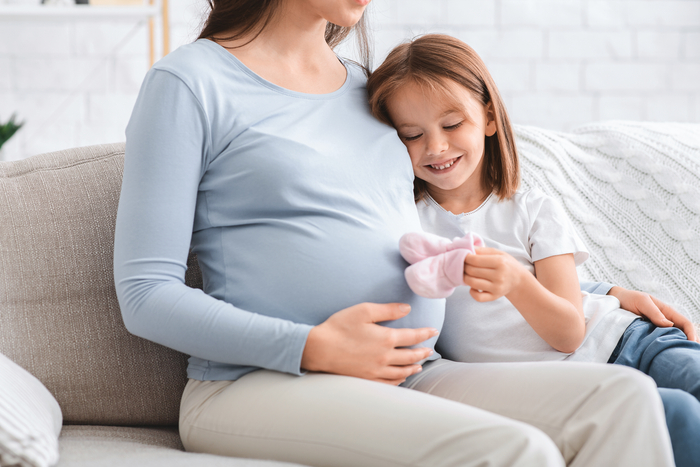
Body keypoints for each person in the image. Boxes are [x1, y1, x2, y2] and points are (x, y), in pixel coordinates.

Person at [113, 2, 676, 466]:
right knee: (514, 451)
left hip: (413, 371)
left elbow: (440, 229)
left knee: (623, 400)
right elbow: (145, 295)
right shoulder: (189, 83)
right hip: (255, 384)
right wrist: (312, 346)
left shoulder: (366, 88)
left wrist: (596, 291)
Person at [366, 33, 700, 467]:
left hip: (627, 340)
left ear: (488, 117)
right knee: (679, 418)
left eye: (452, 125)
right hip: (574, 388)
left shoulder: (533, 209)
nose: (436, 147)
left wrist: (516, 282)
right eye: (412, 134)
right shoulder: (407, 224)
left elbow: (570, 329)